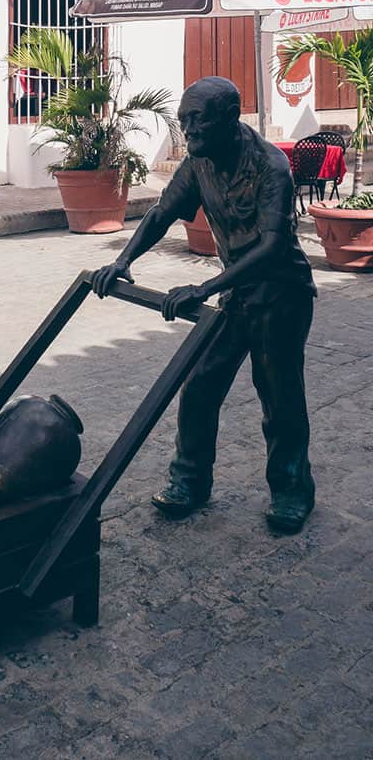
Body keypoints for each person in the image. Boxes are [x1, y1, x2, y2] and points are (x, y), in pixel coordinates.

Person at [92, 76, 316, 533]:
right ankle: (189, 483)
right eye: (184, 121)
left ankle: (292, 491)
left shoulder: (270, 166)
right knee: (199, 388)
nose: (188, 130)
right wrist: (123, 260)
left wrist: (204, 289)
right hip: (238, 293)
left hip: (282, 295)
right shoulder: (199, 164)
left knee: (279, 397)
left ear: (231, 118)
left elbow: (272, 247)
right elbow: (161, 213)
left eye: (197, 120)